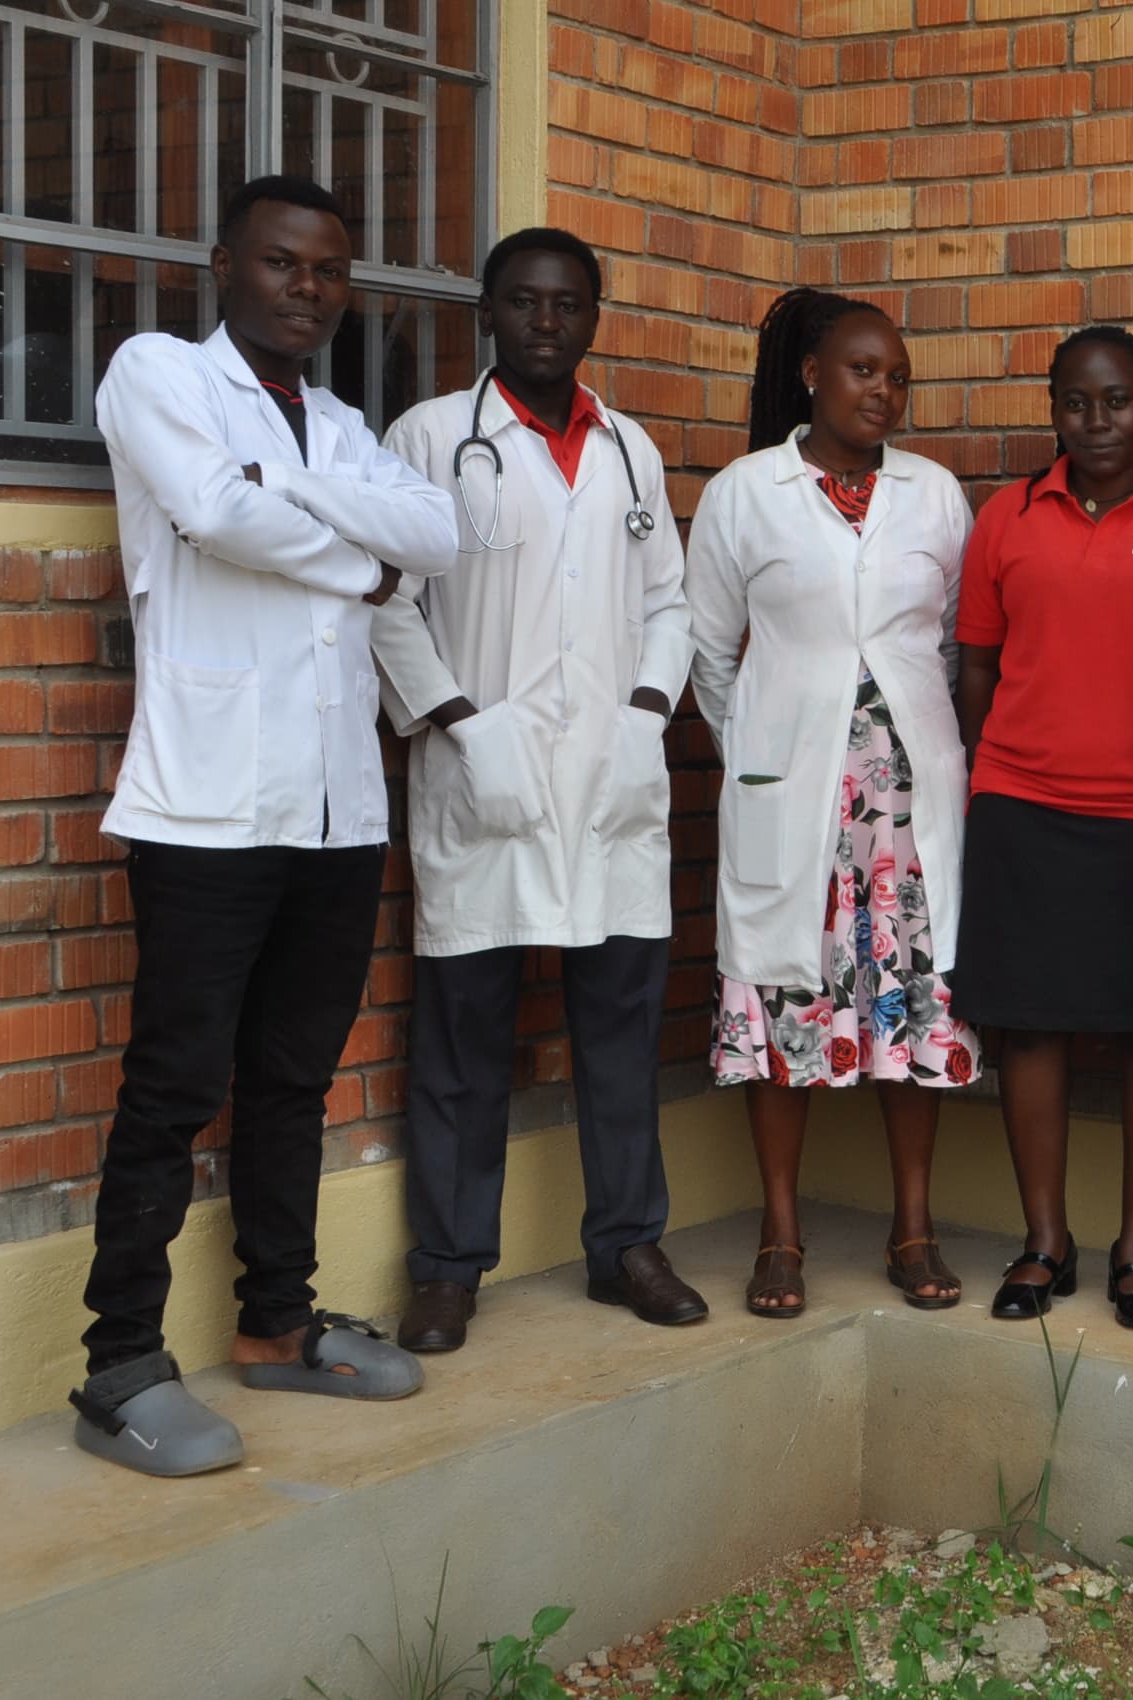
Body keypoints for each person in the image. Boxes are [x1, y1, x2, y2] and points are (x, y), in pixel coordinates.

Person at [70, 176, 459, 1475]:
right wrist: (365, 558)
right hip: (205, 807)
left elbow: (441, 533)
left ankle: (278, 1325)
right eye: (286, 264)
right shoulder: (156, 374)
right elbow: (216, 513)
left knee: (293, 1076)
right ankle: (118, 1363)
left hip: (339, 807)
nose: (310, 289)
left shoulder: (341, 419)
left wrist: (313, 504)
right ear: (226, 260)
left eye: (332, 271)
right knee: (175, 1086)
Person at [373, 227, 701, 1352]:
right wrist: (461, 723)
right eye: (524, 301)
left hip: (609, 776)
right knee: (463, 1040)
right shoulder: (428, 439)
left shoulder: (631, 451)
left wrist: (648, 711)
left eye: (567, 304)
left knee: (619, 1027)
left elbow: (670, 604)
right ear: (488, 312)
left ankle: (627, 1246)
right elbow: (387, 604)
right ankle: (449, 1268)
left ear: (593, 316)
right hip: (485, 772)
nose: (546, 322)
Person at [687, 289, 978, 1318]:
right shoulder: (745, 492)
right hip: (790, 796)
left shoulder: (936, 495)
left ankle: (913, 1226)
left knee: (911, 996)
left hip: (905, 807)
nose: (883, 392)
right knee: (782, 1004)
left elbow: (942, 647)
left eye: (898, 376)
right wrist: (767, 749)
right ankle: (779, 1232)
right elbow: (709, 653)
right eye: (863, 370)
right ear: (812, 373)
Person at [953, 325, 1133, 1330]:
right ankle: (1044, 1239)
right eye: (1076, 402)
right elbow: (977, 665)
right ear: (1053, 411)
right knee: (1029, 1028)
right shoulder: (1006, 518)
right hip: (1023, 807)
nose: (1097, 420)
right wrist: (996, 775)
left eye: (1116, 401)